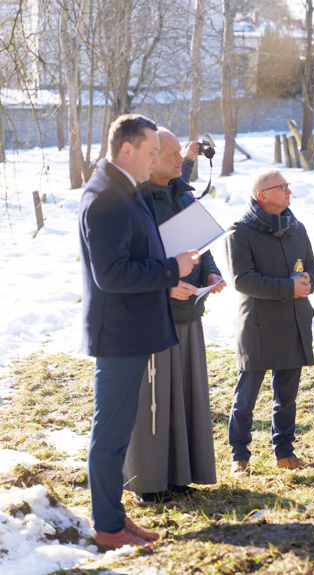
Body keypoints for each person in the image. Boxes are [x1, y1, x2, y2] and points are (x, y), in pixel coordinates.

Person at [79, 114, 198, 549]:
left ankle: (114, 517)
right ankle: (107, 527)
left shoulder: (124, 189)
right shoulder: (105, 197)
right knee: (109, 436)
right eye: (151, 152)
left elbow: (135, 254)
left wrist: (170, 272)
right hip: (119, 333)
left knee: (116, 430)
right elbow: (111, 275)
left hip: (131, 328)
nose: (156, 161)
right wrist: (171, 269)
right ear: (126, 149)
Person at [122, 129, 225, 503]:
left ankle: (181, 475)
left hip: (189, 312)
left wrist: (210, 273)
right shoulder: (133, 201)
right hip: (151, 316)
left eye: (181, 153)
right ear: (151, 159)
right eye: (172, 154)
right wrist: (165, 284)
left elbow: (200, 245)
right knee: (154, 397)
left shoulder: (184, 193)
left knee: (185, 394)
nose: (181, 158)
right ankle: (149, 482)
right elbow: (127, 262)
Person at [225, 169, 314, 475]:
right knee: (247, 395)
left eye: (288, 185)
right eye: (282, 187)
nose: (288, 191)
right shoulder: (239, 232)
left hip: (293, 320)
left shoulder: (297, 227)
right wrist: (287, 288)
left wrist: (308, 281)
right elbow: (243, 280)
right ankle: (239, 456)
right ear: (261, 196)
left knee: (287, 396)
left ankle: (285, 452)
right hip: (259, 325)